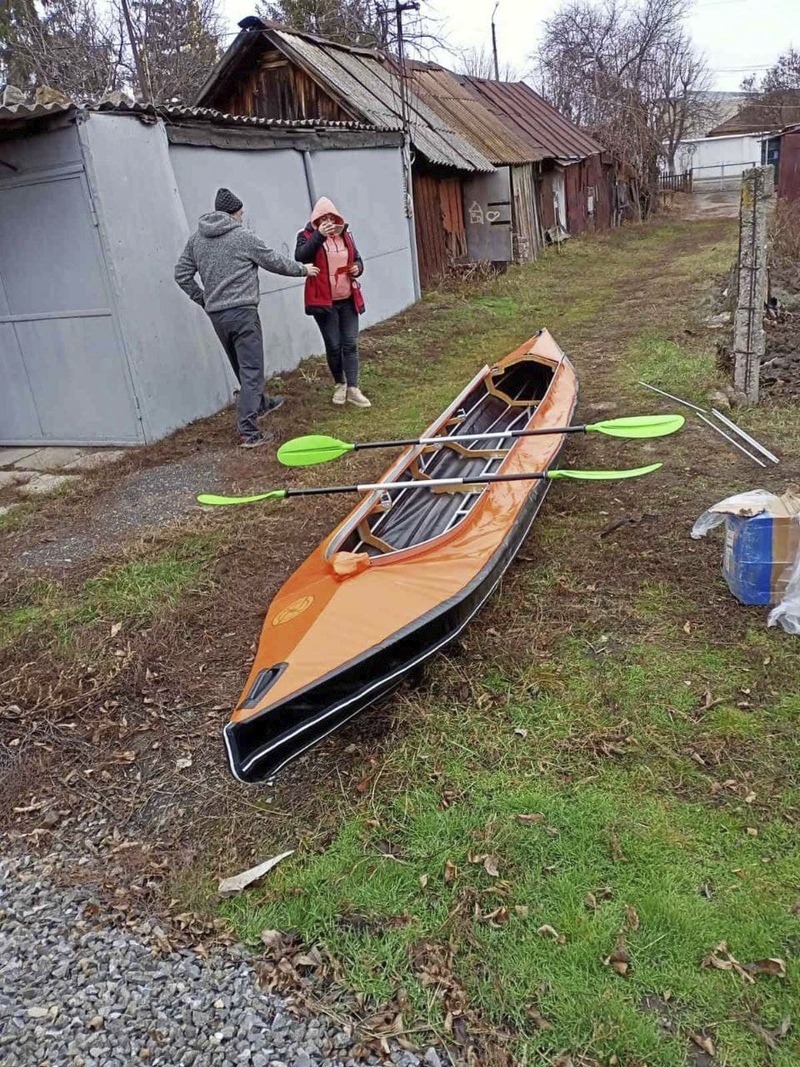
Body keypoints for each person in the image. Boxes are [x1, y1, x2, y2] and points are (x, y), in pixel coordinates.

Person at [175, 187, 320, 448]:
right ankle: (248, 431)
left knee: (242, 367)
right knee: (252, 370)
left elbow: (181, 274)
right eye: (240, 214)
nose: (242, 218)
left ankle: (261, 403)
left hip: (218, 316)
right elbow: (273, 261)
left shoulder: (196, 239)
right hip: (243, 312)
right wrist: (302, 270)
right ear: (232, 214)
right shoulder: (242, 237)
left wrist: (204, 298)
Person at [295, 197, 371, 408]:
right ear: (316, 220)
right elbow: (301, 256)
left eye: (332, 218)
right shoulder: (306, 236)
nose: (329, 222)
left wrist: (357, 267)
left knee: (350, 343)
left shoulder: (345, 236)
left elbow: (357, 258)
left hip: (347, 299)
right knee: (334, 345)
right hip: (324, 302)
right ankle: (340, 384)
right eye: (323, 218)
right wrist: (319, 236)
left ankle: (354, 388)